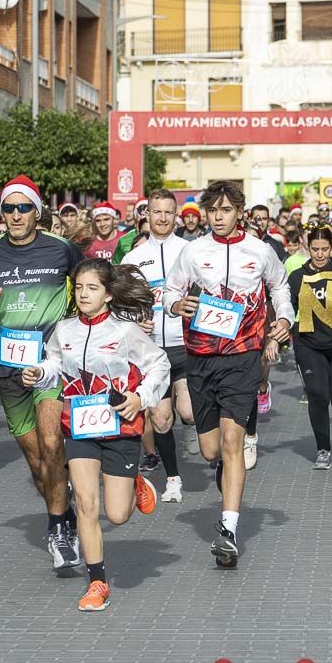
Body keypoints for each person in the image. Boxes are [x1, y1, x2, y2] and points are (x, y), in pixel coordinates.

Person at [0, 175, 85, 571]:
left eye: (23, 207)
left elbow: (90, 288)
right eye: (8, 208)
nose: (15, 215)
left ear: (37, 210)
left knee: (51, 441)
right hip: (10, 368)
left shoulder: (61, 250)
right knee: (37, 463)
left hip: (51, 363)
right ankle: (65, 510)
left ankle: (59, 528)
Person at [23, 259, 168, 611]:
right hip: (80, 427)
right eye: (81, 288)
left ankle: (133, 482)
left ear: (107, 295)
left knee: (117, 515)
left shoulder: (125, 331)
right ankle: (97, 583)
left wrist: (140, 398)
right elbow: (54, 364)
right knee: (87, 505)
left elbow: (159, 363)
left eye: (93, 288)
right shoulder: (65, 329)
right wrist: (38, 372)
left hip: (120, 426)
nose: (85, 294)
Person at [163, 180, 293, 568]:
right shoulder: (193, 250)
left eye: (225, 210)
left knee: (233, 443)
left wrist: (283, 317)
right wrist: (176, 305)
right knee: (211, 450)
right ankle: (226, 473)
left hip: (242, 357)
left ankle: (229, 530)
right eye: (212, 211)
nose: (218, 217)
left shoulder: (260, 250)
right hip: (200, 358)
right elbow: (170, 291)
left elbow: (279, 286)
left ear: (240, 212)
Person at [121, 189, 195, 502]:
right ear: (146, 216)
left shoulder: (191, 251)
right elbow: (118, 304)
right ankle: (174, 479)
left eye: (168, 212)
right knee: (161, 419)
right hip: (151, 351)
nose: (162, 218)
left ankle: (196, 427)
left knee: (188, 412)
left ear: (176, 216)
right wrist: (133, 322)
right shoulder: (132, 258)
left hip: (186, 344)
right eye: (157, 212)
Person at [287, 226, 332, 470]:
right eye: (314, 249)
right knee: (318, 395)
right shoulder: (297, 276)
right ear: (308, 247)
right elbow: (287, 307)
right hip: (308, 344)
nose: (319, 255)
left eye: (324, 249)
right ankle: (323, 448)